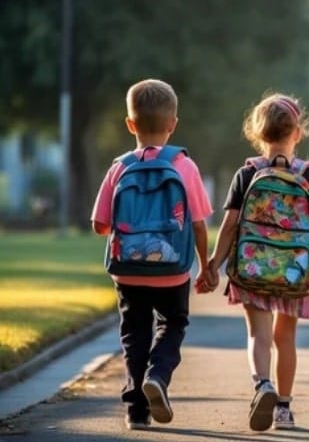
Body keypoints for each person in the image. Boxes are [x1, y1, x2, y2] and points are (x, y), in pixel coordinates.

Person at [91, 79, 213, 430]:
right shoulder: (184, 166)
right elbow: (200, 225)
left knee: (134, 333)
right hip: (172, 268)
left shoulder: (119, 167)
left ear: (130, 124)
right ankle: (158, 375)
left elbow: (100, 224)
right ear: (173, 123)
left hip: (128, 269)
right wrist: (205, 266)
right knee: (173, 322)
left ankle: (136, 411)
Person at [204, 92, 309, 431]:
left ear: (257, 133)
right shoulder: (308, 175)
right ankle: (284, 409)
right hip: (294, 272)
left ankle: (263, 385)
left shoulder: (247, 174)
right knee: (285, 338)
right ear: (298, 133)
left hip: (252, 269)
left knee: (258, 335)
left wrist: (213, 265)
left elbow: (230, 226)